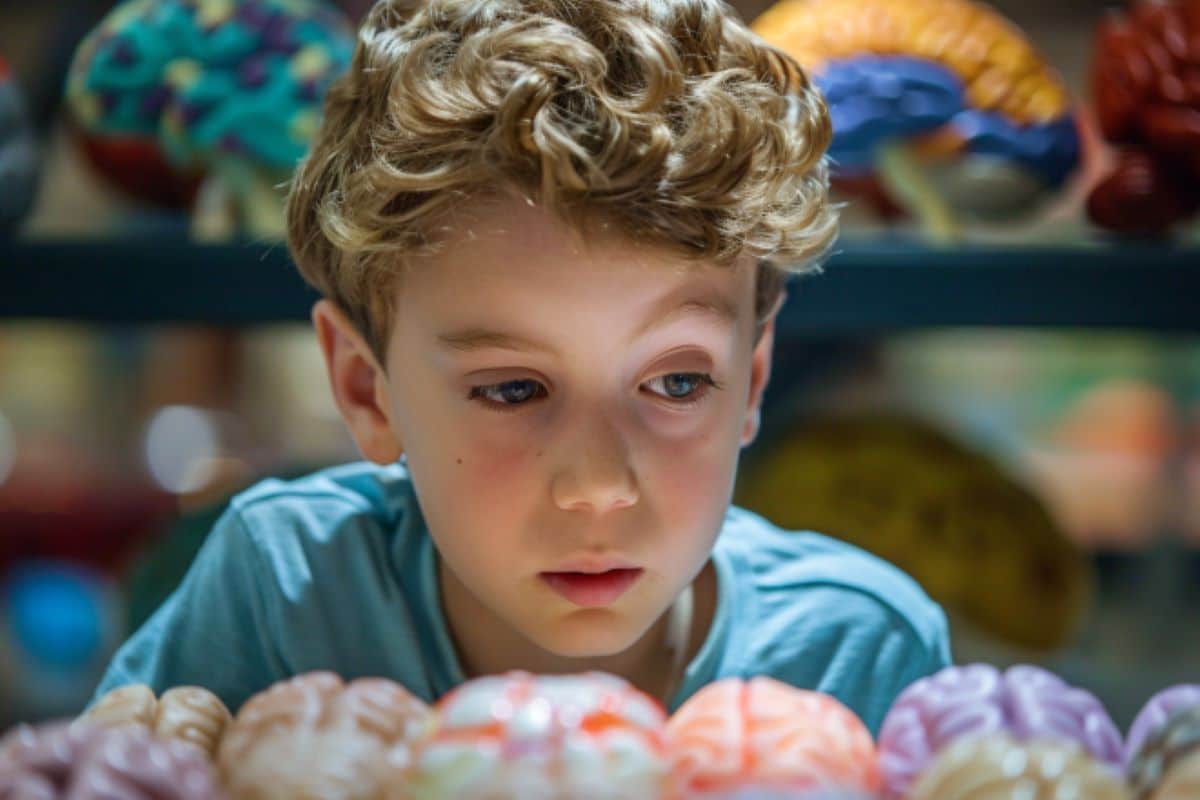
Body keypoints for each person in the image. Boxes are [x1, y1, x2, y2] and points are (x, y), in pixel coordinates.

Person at [89, 0, 951, 734]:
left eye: (678, 383)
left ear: (752, 380)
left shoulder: (856, 657)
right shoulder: (282, 594)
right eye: (512, 388)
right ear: (365, 386)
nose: (598, 487)